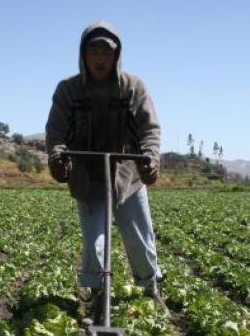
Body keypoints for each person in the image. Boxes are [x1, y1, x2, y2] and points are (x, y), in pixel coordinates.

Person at [45, 20, 162, 305]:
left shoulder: (132, 87)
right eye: (94, 52)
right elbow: (56, 130)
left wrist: (150, 157)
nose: (100, 59)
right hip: (88, 177)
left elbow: (149, 129)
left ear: (116, 55)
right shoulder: (68, 91)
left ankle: (150, 290)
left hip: (127, 177)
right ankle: (98, 295)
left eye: (106, 52)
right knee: (95, 244)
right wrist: (58, 156)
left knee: (139, 242)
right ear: (83, 55)